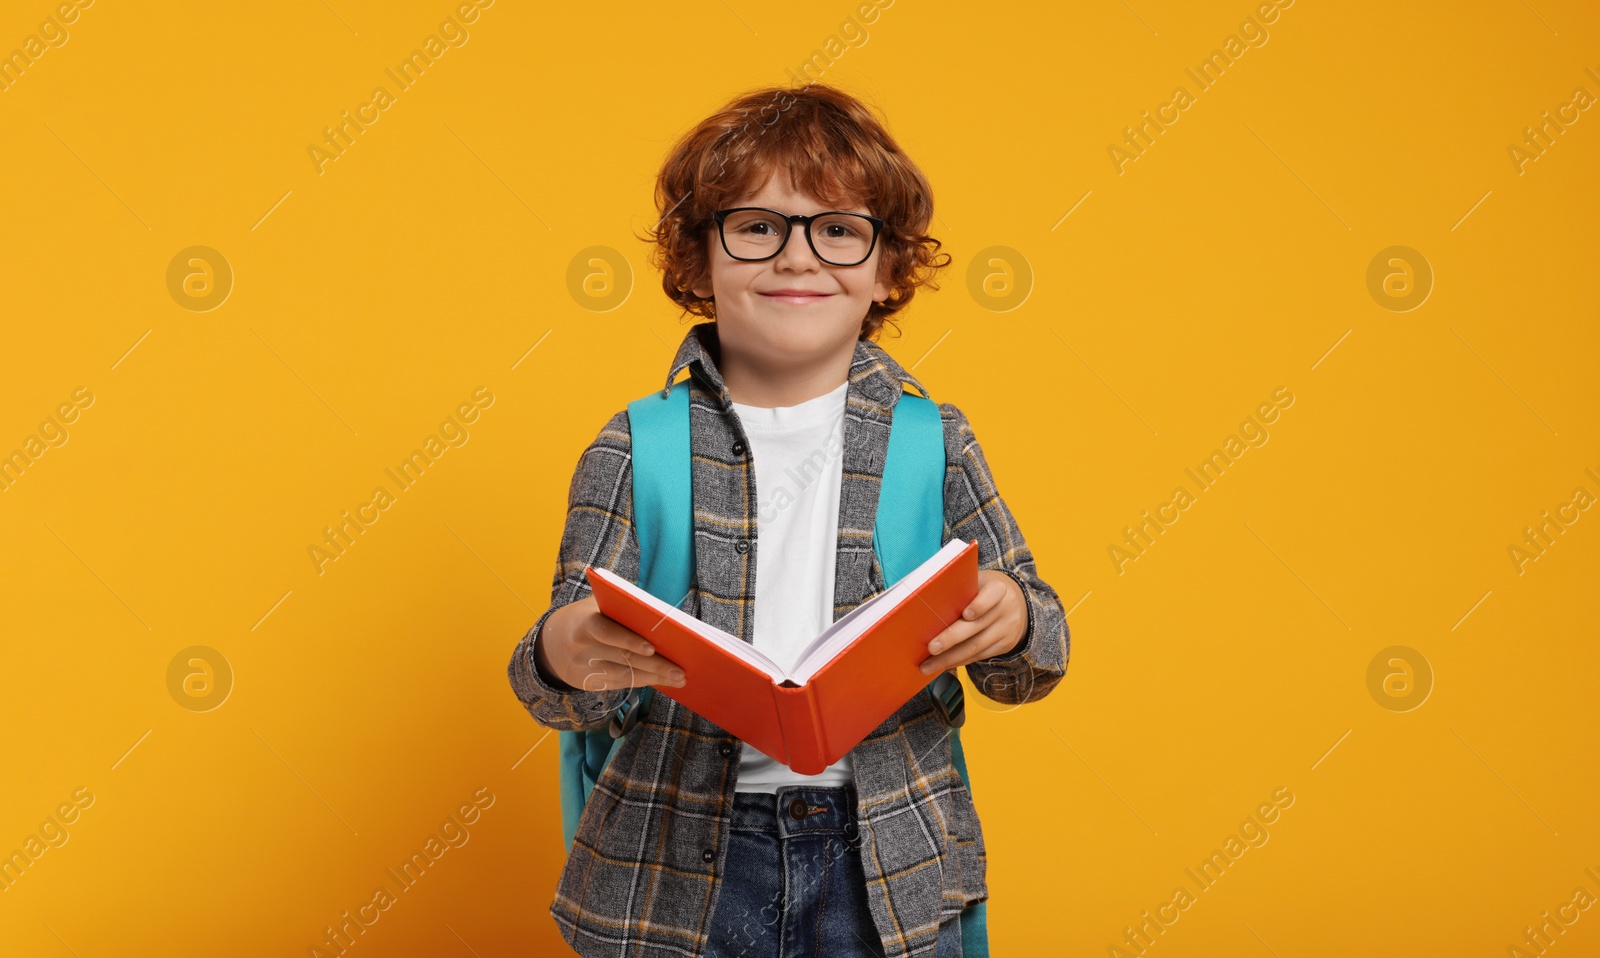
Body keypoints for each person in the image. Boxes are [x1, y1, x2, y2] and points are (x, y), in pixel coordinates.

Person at [507, 82, 1070, 958]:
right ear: (698, 261)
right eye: (757, 226)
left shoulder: (937, 441)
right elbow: (558, 691)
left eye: (838, 230)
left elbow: (1036, 663)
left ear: (889, 267)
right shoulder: (632, 445)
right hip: (675, 871)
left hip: (890, 862)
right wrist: (562, 650)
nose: (798, 258)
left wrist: (1014, 616)